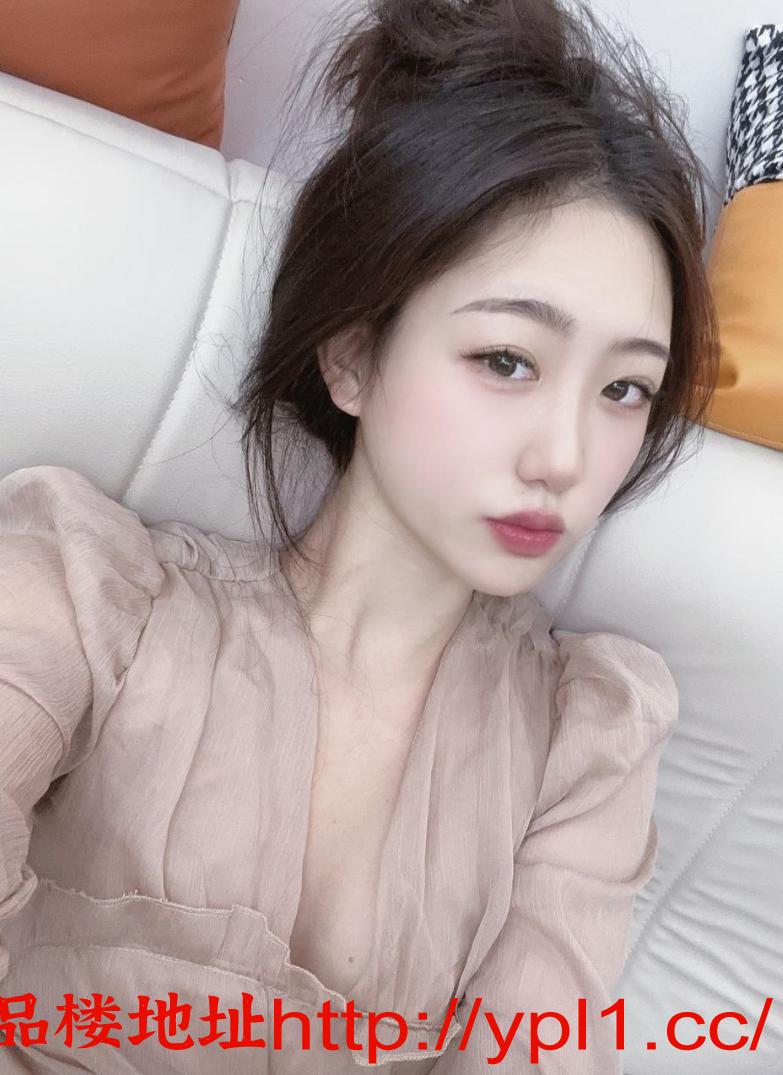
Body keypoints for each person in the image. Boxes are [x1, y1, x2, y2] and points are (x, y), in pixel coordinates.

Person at [0, 0, 719, 1071]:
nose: (566, 457)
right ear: (351, 355)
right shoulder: (91, 591)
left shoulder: (588, 738)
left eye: (624, 389)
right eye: (507, 360)